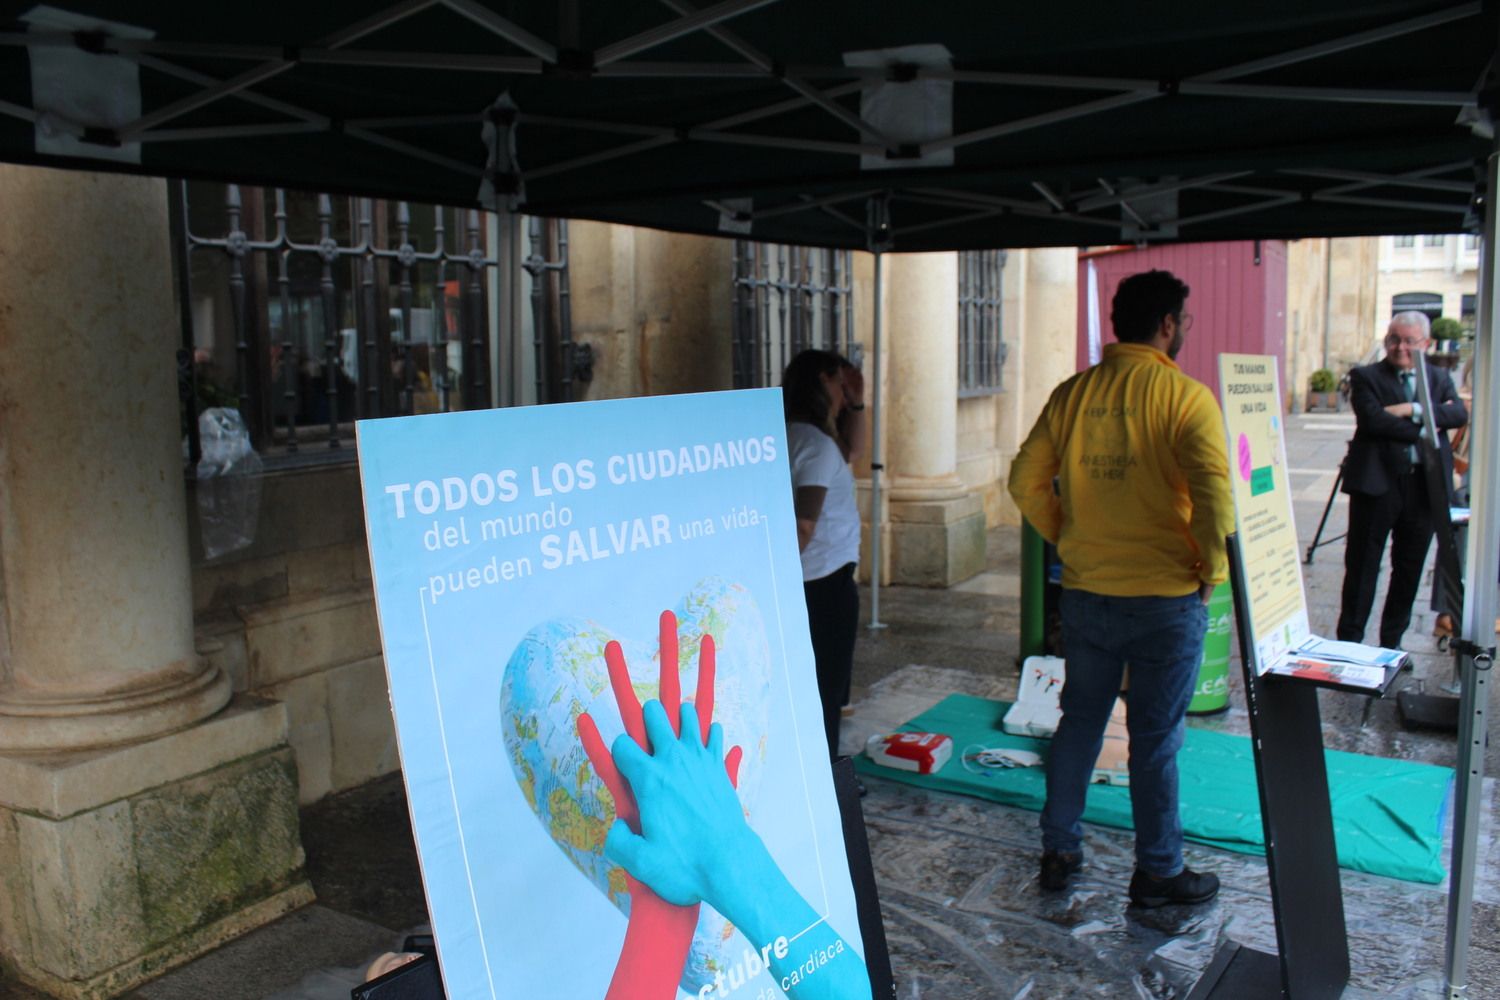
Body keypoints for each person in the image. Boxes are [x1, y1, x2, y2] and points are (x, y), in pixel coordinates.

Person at [1008, 269, 1234, 908]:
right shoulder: (1187, 399)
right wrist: (1210, 571)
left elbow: (1024, 481)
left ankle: (1060, 850)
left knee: (1079, 721)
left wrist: (1070, 535)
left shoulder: (1072, 395)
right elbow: (1217, 497)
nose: (1184, 329)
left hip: (1087, 593)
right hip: (1167, 598)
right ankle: (1158, 872)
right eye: (1183, 320)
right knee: (1156, 739)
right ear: (1166, 325)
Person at [1336, 312, 1468, 650]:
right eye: (1394, 339)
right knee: (1363, 566)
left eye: (1409, 340)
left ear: (1425, 343)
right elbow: (1373, 421)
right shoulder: (1366, 376)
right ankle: (1349, 643)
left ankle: (1391, 643)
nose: (1401, 347)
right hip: (1377, 485)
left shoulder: (1438, 376)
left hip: (1424, 488)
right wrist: (1429, 426)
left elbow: (1459, 414)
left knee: (1409, 568)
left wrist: (1411, 408)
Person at [782, 350, 867, 759]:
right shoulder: (815, 444)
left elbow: (853, 449)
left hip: (811, 581)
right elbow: (804, 524)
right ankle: (828, 784)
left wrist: (857, 402)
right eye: (838, 382)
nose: (842, 391)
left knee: (816, 689)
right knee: (825, 692)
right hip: (823, 584)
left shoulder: (798, 434)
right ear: (822, 382)